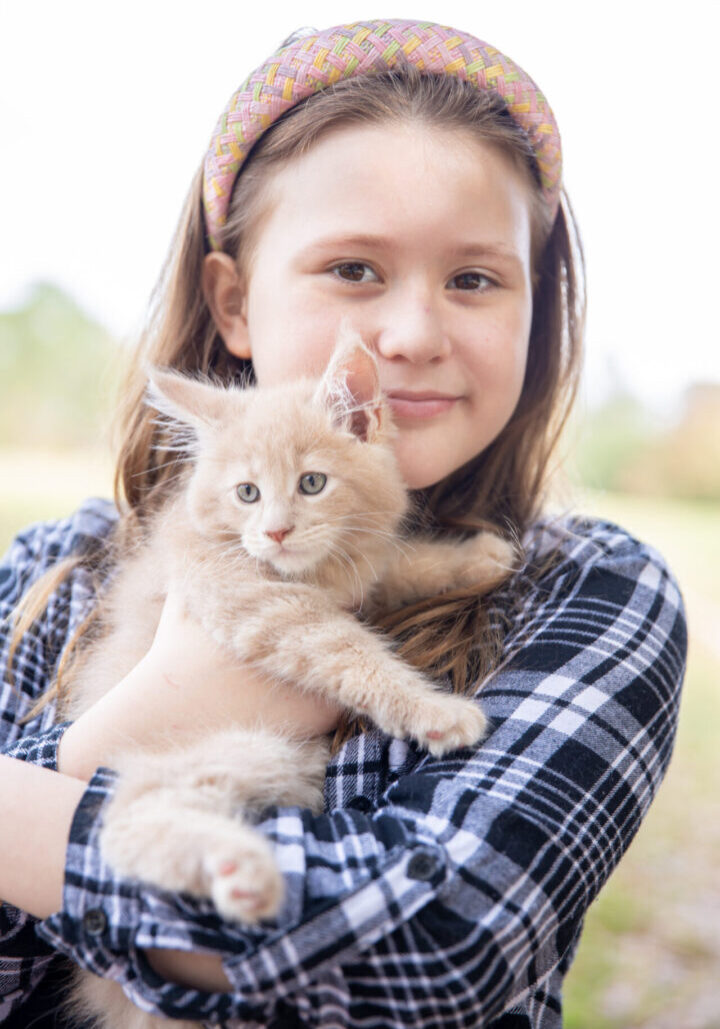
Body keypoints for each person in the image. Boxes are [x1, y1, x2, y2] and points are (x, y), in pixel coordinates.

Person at [0, 19, 686, 1029]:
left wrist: (28, 818)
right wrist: (135, 722)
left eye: (474, 279)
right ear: (233, 306)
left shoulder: (591, 595)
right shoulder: (53, 571)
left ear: (537, 310)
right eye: (354, 271)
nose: (407, 336)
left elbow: (437, 949)